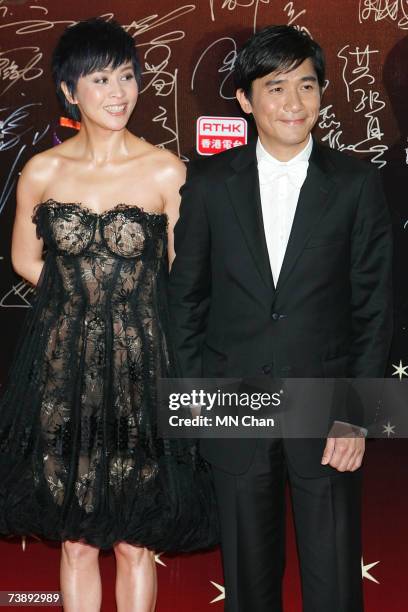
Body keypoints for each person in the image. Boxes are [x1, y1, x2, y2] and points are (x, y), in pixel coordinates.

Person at [168, 25, 392, 612]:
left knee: (334, 581)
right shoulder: (211, 184)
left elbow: (375, 307)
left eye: (307, 85)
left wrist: (358, 419)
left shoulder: (357, 183)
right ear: (245, 100)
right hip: (232, 405)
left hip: (327, 405)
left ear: (322, 93)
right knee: (249, 581)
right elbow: (185, 302)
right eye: (275, 87)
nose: (294, 103)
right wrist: (196, 408)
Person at [0, 18, 217, 612]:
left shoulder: (165, 171)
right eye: (101, 78)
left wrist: (127, 307)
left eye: (127, 75)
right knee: (73, 540)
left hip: (142, 368)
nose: (119, 91)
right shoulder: (42, 172)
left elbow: (186, 276)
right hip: (62, 371)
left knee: (133, 541)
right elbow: (24, 259)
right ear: (70, 91)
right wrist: (84, 296)